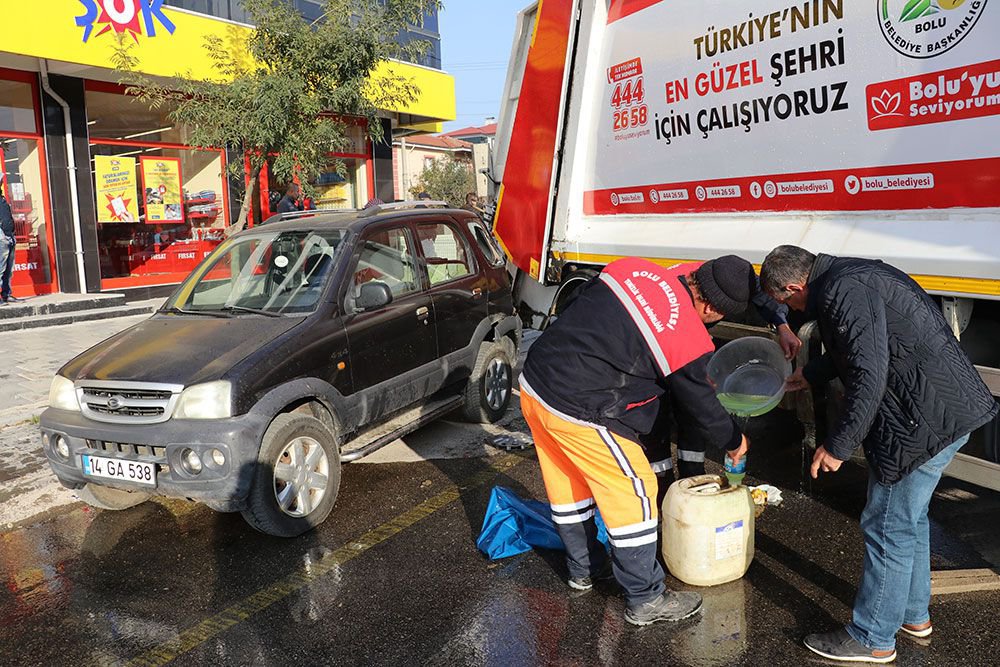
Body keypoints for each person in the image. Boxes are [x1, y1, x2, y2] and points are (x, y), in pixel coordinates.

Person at [759, 245, 998, 663]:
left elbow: (870, 373)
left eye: (787, 302)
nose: (793, 310)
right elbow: (859, 347)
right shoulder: (852, 274)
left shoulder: (840, 292)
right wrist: (809, 374)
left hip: (921, 419)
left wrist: (837, 445)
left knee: (886, 523)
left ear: (796, 286)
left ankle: (872, 636)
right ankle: (912, 615)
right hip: (945, 408)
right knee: (908, 518)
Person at [519, 256, 753, 626]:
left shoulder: (637, 269)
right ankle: (646, 599)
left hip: (535, 384)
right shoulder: (685, 333)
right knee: (635, 492)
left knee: (569, 488)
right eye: (717, 318)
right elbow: (702, 404)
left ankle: (585, 570)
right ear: (709, 307)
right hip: (580, 406)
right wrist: (734, 440)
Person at [643, 263, 801, 489]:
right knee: (657, 411)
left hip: (685, 331)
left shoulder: (731, 277)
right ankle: (660, 484)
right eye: (722, 311)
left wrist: (782, 326)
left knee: (693, 412)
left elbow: (760, 292)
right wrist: (734, 441)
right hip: (654, 346)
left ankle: (693, 476)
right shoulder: (667, 303)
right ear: (708, 307)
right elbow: (694, 390)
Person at [0, 191, 17, 304]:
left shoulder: (2, 199)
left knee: (8, 269)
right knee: (0, 268)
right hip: (2, 238)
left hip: (9, 236)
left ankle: (7, 293)